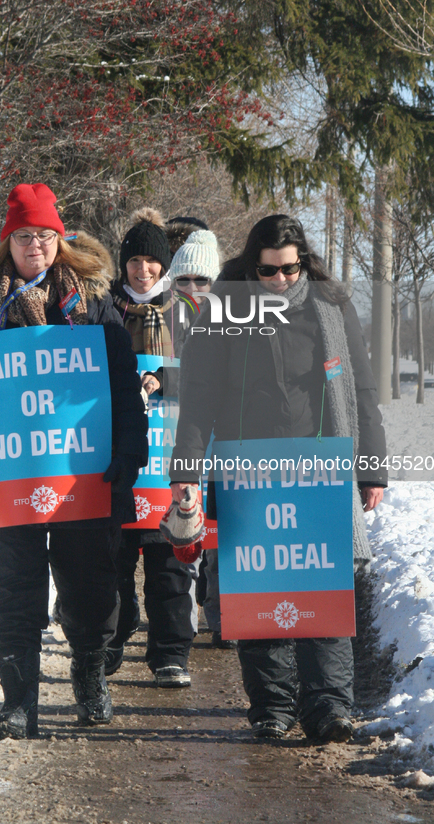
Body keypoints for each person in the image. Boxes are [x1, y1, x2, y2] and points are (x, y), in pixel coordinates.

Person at [170, 214, 387, 743]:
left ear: (303, 262)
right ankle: (272, 705)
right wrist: (186, 470)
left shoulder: (330, 306)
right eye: (269, 271)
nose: (281, 280)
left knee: (325, 585)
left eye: (290, 269)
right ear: (251, 265)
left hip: (321, 465)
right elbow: (198, 396)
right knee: (260, 588)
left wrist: (372, 466)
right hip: (248, 469)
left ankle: (329, 707)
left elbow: (359, 389)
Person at [0, 183, 147, 738]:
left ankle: (88, 670)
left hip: (84, 474)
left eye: (45, 235)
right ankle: (18, 701)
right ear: (8, 242)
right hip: (10, 478)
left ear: (61, 240)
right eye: (24, 236)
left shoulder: (96, 306)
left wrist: (130, 453)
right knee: (14, 587)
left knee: (89, 586)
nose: (35, 245)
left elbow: (124, 391)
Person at [108, 207, 197, 688]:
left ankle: (170, 653)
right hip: (118, 452)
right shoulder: (103, 309)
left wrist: (162, 377)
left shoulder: (185, 310)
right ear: (123, 265)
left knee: (170, 560)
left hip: (171, 452)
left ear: (165, 266)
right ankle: (114, 636)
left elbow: (209, 370)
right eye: (135, 261)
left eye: (152, 262)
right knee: (114, 559)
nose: (142, 271)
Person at [169, 229, 234, 650]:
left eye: (202, 280)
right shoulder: (162, 320)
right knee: (181, 535)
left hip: (223, 441)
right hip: (172, 442)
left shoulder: (236, 322)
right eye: (184, 280)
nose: (193, 289)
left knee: (219, 535)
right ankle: (177, 625)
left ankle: (222, 618)